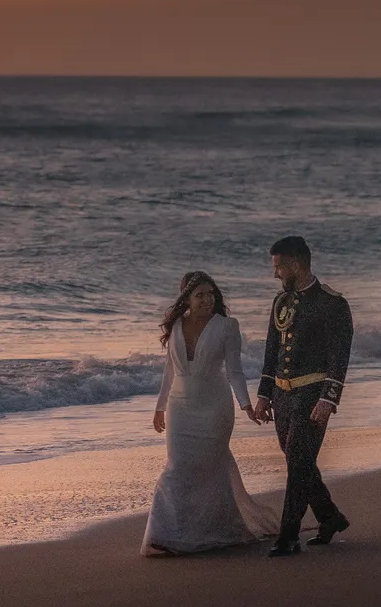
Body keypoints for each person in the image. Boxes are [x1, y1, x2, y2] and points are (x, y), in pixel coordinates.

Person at [142, 271, 277, 556]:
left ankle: (214, 529)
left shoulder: (227, 327)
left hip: (215, 407)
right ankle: (164, 534)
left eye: (211, 294)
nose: (207, 299)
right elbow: (170, 370)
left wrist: (246, 405)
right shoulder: (176, 325)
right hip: (180, 408)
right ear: (187, 299)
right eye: (200, 294)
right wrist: (159, 406)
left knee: (210, 469)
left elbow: (235, 371)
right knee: (177, 467)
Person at [251, 235, 354, 557]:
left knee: (297, 462)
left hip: (312, 396)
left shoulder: (332, 303)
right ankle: (330, 517)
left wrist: (329, 399)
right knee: (301, 463)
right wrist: (264, 395)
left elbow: (340, 357)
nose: (276, 274)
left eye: (279, 267)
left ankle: (288, 537)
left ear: (296, 263)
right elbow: (272, 351)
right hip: (282, 396)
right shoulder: (280, 302)